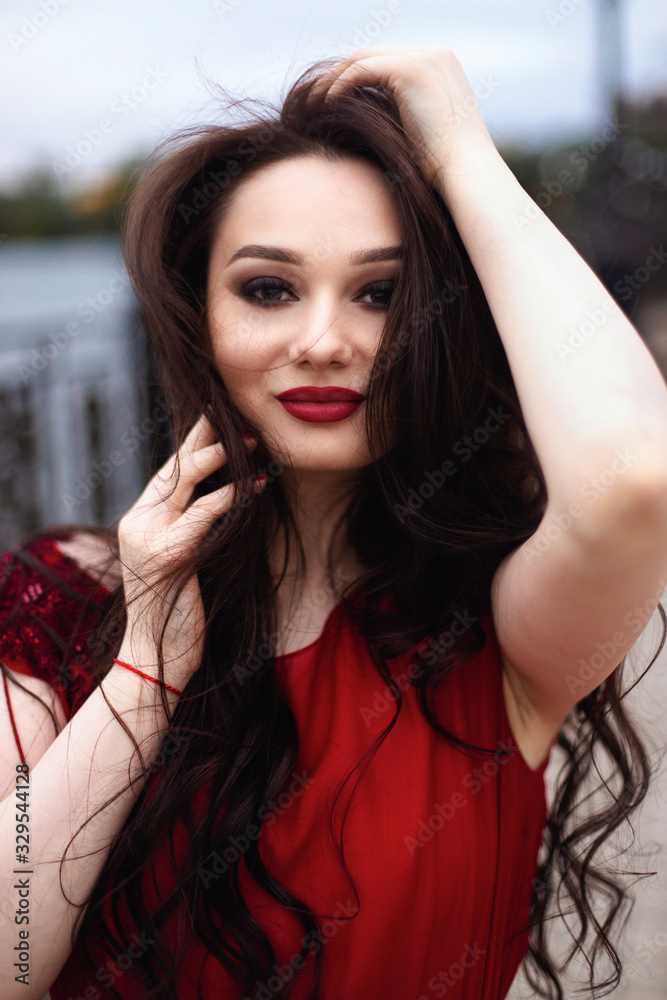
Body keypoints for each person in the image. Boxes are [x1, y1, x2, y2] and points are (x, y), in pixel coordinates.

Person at [1, 44, 666, 1000]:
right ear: (201, 319)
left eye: (383, 293)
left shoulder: (500, 636)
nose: (323, 341)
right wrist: (142, 669)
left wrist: (463, 154)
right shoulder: (60, 597)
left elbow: (631, 475)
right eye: (268, 288)